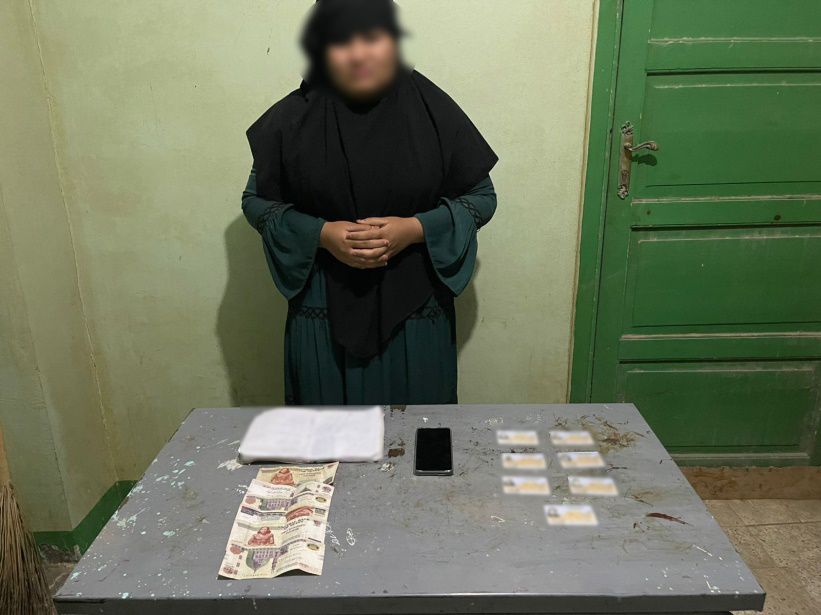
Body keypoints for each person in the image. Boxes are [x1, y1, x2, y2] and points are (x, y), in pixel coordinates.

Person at [242, 0, 498, 405]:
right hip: (322, 312)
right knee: (326, 436)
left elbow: (481, 198)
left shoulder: (432, 111)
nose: (358, 54)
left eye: (371, 38)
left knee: (415, 434)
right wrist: (321, 234)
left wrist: (413, 230)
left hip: (417, 315)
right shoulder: (292, 118)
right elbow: (256, 201)